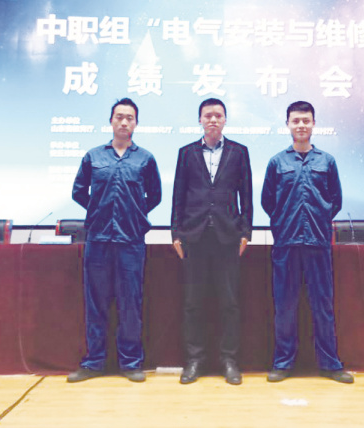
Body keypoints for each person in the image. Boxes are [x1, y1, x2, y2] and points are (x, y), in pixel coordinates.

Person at [67, 98, 162, 383]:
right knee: (95, 303)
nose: (124, 122)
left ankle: (130, 362)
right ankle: (94, 362)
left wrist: (133, 214)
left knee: (130, 303)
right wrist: (98, 212)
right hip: (98, 239)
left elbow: (155, 196)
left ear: (136, 123)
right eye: (119, 117)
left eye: (129, 118)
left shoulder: (145, 159)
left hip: (131, 240)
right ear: (111, 121)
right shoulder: (94, 156)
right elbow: (79, 191)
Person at [261, 101, 354, 384]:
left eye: (306, 120)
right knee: (285, 306)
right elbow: (268, 201)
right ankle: (283, 363)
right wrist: (283, 223)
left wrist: (319, 220)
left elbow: (335, 200)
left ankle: (330, 364)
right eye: (296, 120)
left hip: (317, 242)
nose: (301, 125)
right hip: (286, 243)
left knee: (322, 305)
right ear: (288, 124)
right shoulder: (277, 162)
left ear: (314, 124)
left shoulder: (327, 161)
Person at [171, 98, 253, 385]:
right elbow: (178, 194)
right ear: (200, 120)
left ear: (225, 119)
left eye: (218, 115)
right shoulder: (186, 153)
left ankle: (229, 360)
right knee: (194, 302)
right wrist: (175, 233)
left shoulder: (239, 152)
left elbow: (246, 195)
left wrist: (246, 232)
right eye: (208, 115)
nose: (213, 120)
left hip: (227, 237)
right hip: (194, 237)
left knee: (229, 302)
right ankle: (195, 360)